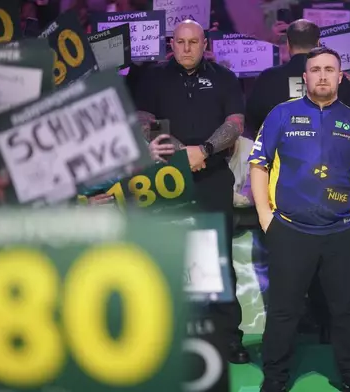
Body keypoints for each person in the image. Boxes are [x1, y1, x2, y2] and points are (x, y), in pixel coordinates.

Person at [249, 47, 350, 392]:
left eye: (329, 69)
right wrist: (266, 216)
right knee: (283, 312)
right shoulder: (280, 115)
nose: (322, 75)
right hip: (290, 231)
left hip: (342, 234)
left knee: (346, 310)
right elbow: (258, 164)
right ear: (304, 77)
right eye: (316, 69)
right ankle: (275, 377)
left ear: (341, 76)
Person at [133, 20, 249, 364]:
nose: (186, 48)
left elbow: (235, 124)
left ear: (204, 43)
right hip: (167, 178)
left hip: (213, 176)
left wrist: (206, 150)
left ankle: (228, 338)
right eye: (180, 42)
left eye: (193, 42)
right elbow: (143, 121)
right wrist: (184, 152)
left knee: (219, 259)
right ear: (171, 43)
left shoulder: (224, 77)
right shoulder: (152, 77)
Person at [246, 18, 350, 343]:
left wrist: (265, 212)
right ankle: (326, 335)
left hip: (285, 199)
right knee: (334, 286)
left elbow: (253, 130)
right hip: (333, 202)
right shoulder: (342, 82)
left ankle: (287, 349)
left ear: (286, 43)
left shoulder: (268, 79)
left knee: (287, 288)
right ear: (318, 40)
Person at [245, 19, 350, 133]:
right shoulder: (337, 79)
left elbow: (253, 119)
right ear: (318, 43)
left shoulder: (267, 78)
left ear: (288, 44)